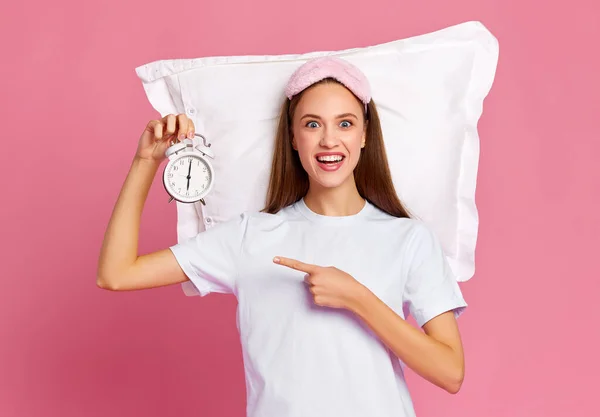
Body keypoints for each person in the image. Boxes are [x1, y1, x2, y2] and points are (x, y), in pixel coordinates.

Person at [97, 56, 468, 417]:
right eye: (311, 124)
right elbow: (116, 273)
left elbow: (450, 372)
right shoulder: (250, 236)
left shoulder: (409, 238)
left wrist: (358, 298)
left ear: (365, 134)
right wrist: (145, 162)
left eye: (345, 124)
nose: (328, 140)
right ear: (292, 137)